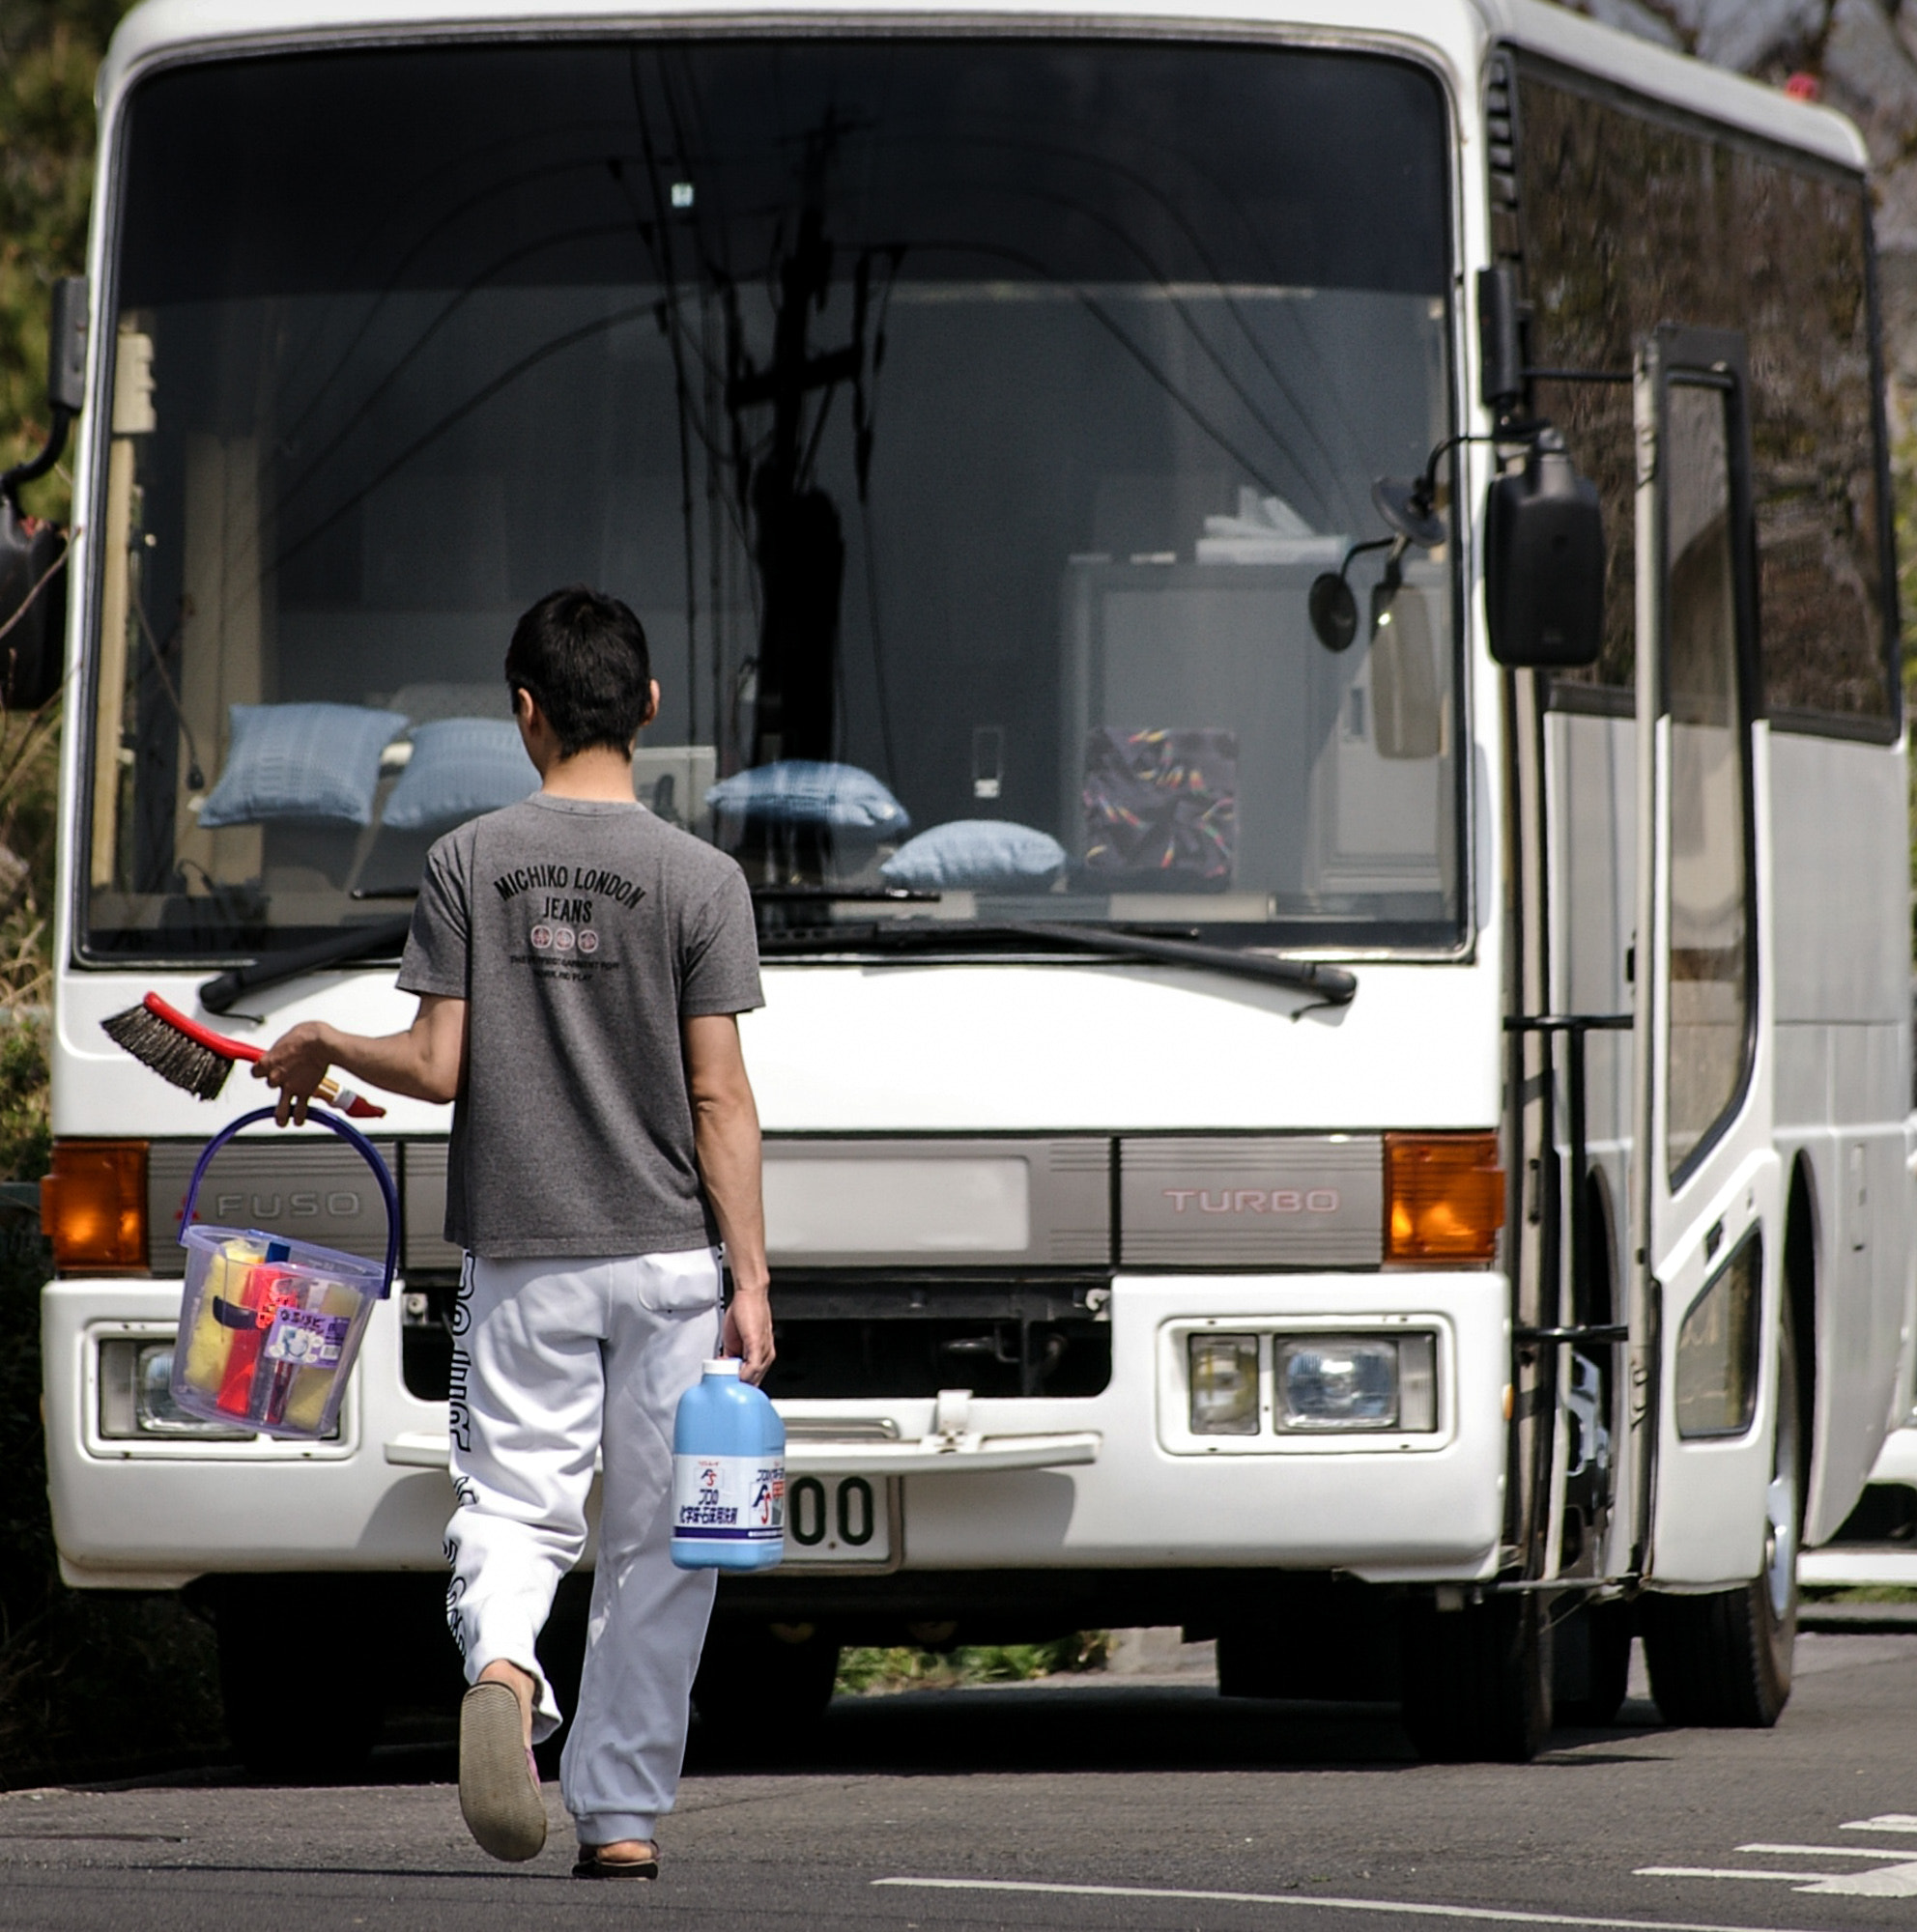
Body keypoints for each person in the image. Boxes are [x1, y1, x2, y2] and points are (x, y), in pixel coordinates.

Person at [254, 584, 772, 1880]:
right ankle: (625, 1817)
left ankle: (499, 1660)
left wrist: (324, 1041)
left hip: (525, 1257)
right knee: (663, 1541)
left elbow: (434, 1065)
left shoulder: (468, 861)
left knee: (514, 1505)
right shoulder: (703, 879)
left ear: (524, 716)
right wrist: (750, 1279)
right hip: (668, 1262)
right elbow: (721, 1096)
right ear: (649, 710)